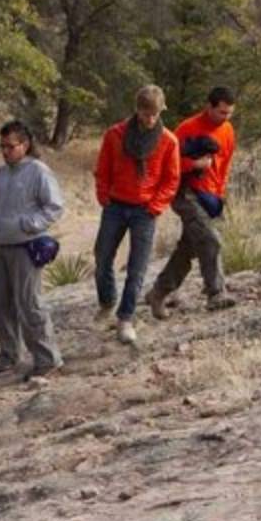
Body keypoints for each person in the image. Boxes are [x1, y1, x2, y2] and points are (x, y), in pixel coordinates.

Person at [93, 84, 181, 344]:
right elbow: (103, 168)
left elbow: (171, 179)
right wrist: (103, 196)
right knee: (102, 257)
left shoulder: (168, 140)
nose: (150, 119)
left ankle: (126, 318)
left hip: (145, 210)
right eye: (146, 113)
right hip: (116, 205)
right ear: (137, 110)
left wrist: (156, 206)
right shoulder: (115, 135)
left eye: (154, 114)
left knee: (137, 268)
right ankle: (107, 301)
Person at [0, 120, 66, 381]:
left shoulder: (38, 171)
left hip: (25, 248)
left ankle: (47, 358)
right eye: (2, 146)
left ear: (25, 145)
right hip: (0, 247)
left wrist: (29, 224)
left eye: (10, 146)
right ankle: (9, 355)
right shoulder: (0, 174)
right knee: (0, 304)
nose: (5, 151)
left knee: (29, 303)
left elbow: (55, 207)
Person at [145, 86, 238, 318]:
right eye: (221, 113)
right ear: (209, 106)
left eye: (229, 113)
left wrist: (219, 195)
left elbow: (224, 166)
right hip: (185, 193)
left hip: (210, 196)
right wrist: (193, 166)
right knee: (210, 240)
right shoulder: (187, 129)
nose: (225, 118)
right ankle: (216, 293)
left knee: (189, 249)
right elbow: (167, 162)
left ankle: (158, 292)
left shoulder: (228, 130)